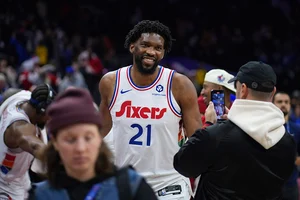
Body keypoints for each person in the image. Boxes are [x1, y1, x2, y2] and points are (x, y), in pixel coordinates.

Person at [99, 20, 202, 199]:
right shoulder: (111, 82)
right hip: (127, 182)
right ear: (132, 46)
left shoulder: (179, 85)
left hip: (169, 183)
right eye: (145, 45)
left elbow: (197, 140)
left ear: (162, 53)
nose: (151, 52)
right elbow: (100, 131)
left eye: (158, 48)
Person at [173, 61, 297, 200]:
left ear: (243, 89)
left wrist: (209, 125)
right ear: (273, 91)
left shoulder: (216, 135)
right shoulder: (288, 141)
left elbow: (183, 164)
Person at [28, 88, 157, 200]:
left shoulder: (131, 186)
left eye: (88, 138)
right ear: (55, 142)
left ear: (99, 138)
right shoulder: (40, 195)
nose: (80, 148)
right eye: (70, 139)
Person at [0, 83, 56, 200]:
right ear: (40, 111)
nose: (50, 119)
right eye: (49, 115)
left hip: (21, 177)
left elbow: (8, 94)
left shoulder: (23, 97)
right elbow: (35, 146)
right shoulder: (18, 128)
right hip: (5, 186)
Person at [273, 91, 300, 200]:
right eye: (279, 102)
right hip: (271, 183)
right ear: (273, 104)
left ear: (290, 105)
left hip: (291, 183)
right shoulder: (266, 127)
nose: (283, 104)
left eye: (286, 102)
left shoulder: (297, 129)